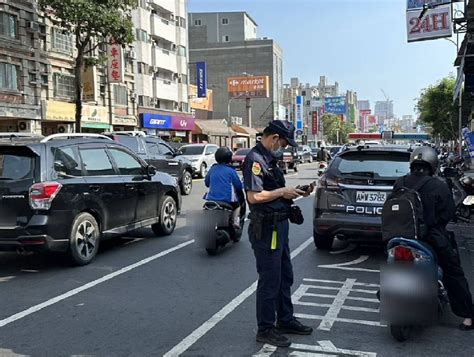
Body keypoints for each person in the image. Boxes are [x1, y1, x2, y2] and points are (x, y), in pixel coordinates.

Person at [242, 120, 314, 347]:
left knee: (285, 275)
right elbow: (254, 197)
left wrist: (296, 193)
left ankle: (285, 319)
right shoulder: (255, 160)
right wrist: (283, 191)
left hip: (279, 225)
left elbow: (275, 193)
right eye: (283, 142)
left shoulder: (270, 159)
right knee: (270, 279)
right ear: (274, 138)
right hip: (267, 228)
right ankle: (265, 328)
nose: (283, 147)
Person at [393, 146, 474, 330]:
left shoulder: (400, 182)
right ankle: (468, 317)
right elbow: (448, 213)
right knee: (453, 273)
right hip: (432, 237)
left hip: (401, 236)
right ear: (433, 164)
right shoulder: (439, 185)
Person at [204, 147, 244, 228]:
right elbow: (238, 186)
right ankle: (236, 221)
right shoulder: (231, 171)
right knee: (238, 206)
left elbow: (207, 183)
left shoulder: (213, 169)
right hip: (227, 200)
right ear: (229, 158)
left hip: (211, 200)